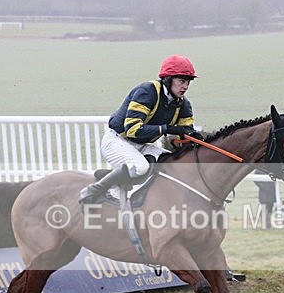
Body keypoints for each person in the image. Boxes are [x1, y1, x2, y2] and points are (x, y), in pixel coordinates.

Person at [79, 55, 199, 204]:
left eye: (188, 82)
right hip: (117, 141)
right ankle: (95, 189)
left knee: (172, 165)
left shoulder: (183, 104)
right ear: (168, 79)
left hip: (141, 146)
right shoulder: (147, 92)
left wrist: (193, 137)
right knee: (141, 167)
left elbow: (186, 134)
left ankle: (122, 176)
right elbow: (133, 130)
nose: (185, 86)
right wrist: (166, 129)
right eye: (181, 81)